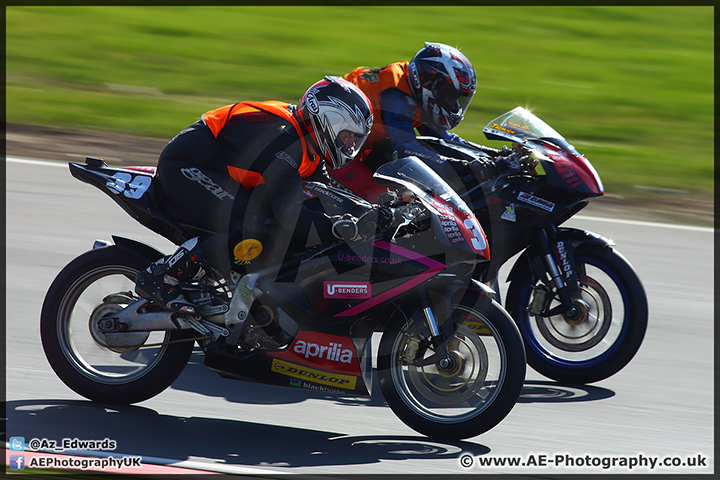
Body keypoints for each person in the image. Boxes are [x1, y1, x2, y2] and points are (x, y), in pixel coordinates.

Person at [135, 76, 387, 314]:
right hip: (188, 167)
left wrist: (371, 212)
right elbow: (289, 212)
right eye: (349, 136)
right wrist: (339, 227)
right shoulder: (283, 138)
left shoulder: (310, 147)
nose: (351, 145)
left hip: (226, 175)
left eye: (357, 139)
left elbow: (328, 195)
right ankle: (163, 276)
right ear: (327, 122)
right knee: (259, 226)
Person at [325, 42, 502, 201]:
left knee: (408, 190)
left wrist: (495, 156)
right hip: (329, 149)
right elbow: (407, 149)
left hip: (355, 146)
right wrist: (466, 168)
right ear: (432, 84)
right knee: (381, 197)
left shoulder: (416, 92)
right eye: (450, 96)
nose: (454, 105)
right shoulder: (396, 98)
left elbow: (446, 141)